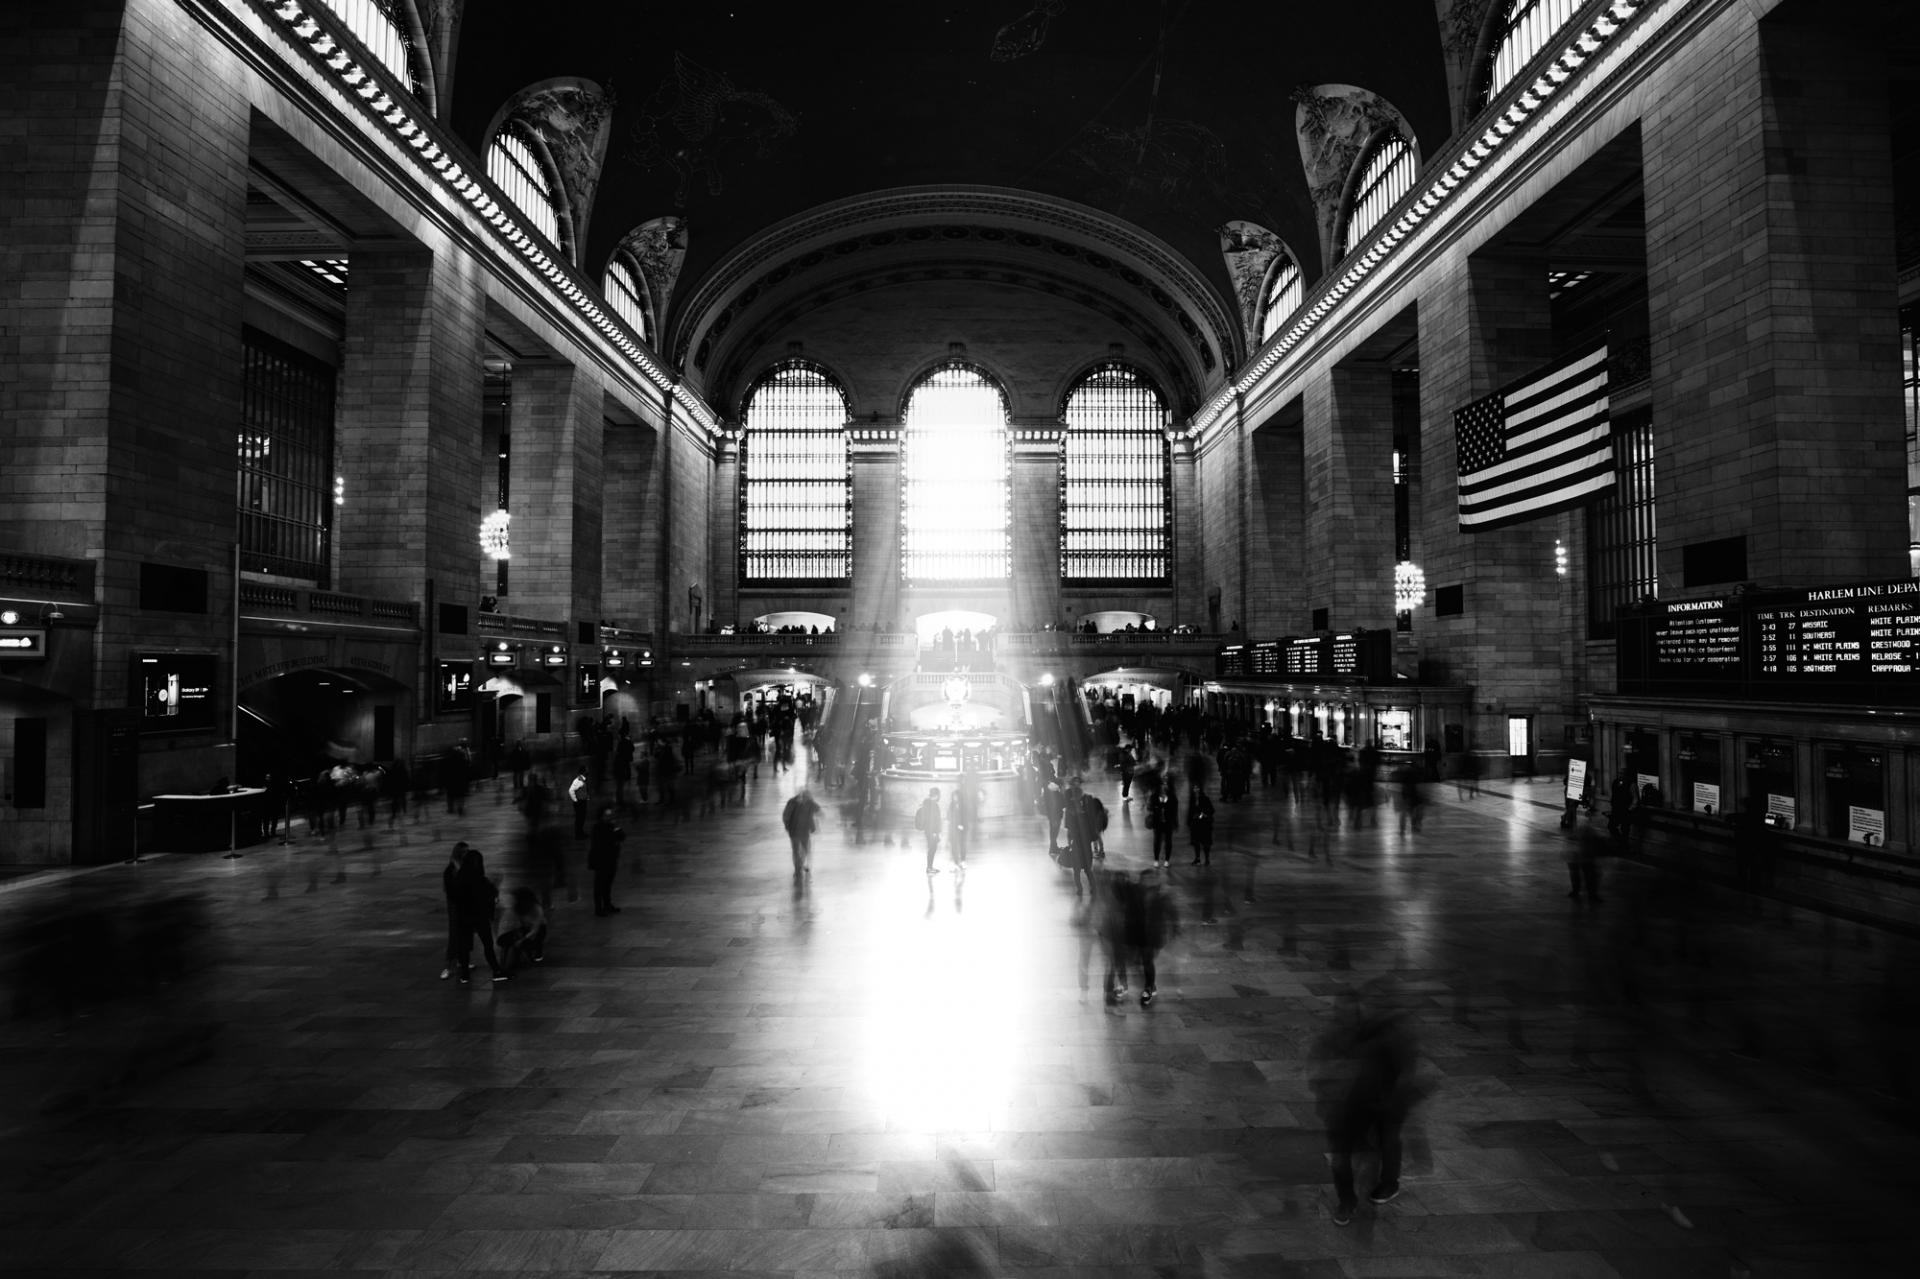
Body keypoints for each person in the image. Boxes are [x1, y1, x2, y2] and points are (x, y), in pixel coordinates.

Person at [1311, 983, 1424, 1226]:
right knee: (1343, 1157)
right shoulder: (1336, 1035)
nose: (1346, 1015)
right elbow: (1319, 1067)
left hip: (1377, 1102)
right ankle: (1347, 1201)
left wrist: (1392, 1100)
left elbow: (1403, 1071)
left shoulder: (1384, 1033)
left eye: (1352, 1010)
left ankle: (1386, 1183)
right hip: (1346, 1106)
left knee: (1385, 1140)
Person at [441, 842, 505, 984]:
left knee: (463, 944)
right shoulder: (477, 878)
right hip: (478, 916)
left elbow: (453, 894)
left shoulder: (459, 877)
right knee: (487, 943)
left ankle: (464, 974)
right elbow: (490, 895)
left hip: (463, 915)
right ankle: (496, 970)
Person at [496, 885, 547, 971]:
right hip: (525, 929)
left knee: (521, 943)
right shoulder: (517, 907)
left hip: (536, 930)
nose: (514, 900)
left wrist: (522, 939)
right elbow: (515, 923)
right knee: (514, 943)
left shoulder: (536, 908)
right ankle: (515, 963)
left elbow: (535, 929)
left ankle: (534, 953)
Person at [587, 806, 625, 916]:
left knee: (608, 883)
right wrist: (614, 836)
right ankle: (598, 908)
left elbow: (622, 836)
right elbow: (606, 840)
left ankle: (607, 904)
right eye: (607, 814)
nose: (610, 816)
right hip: (601, 859)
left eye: (611, 814)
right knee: (600, 884)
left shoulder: (612, 825)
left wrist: (616, 829)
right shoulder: (598, 827)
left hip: (611, 858)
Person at [783, 787, 821, 877]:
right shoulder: (792, 802)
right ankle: (797, 869)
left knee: (805, 849)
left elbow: (818, 810)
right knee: (797, 850)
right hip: (794, 831)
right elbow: (786, 816)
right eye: (804, 797)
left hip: (804, 831)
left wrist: (813, 826)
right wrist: (787, 826)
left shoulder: (809, 802)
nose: (805, 799)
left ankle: (800, 865)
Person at [1147, 784, 1178, 870]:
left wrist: (1175, 823)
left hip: (1168, 824)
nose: (1163, 790)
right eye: (1161, 789)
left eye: (1165, 789)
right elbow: (1149, 808)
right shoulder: (1154, 797)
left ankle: (1167, 860)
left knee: (1168, 842)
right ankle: (1156, 859)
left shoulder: (1172, 798)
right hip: (1158, 824)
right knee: (1157, 842)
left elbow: (1175, 811)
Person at [915, 787, 943, 874]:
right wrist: (936, 832)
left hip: (928, 831)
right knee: (932, 849)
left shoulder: (927, 804)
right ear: (936, 795)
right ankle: (929, 868)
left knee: (931, 848)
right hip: (932, 831)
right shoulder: (933, 805)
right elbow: (935, 820)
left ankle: (930, 867)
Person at [1187, 785, 1215, 866]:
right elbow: (1190, 811)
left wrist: (1203, 814)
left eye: (1197, 788)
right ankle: (1197, 858)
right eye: (1194, 788)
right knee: (1196, 842)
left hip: (1204, 824)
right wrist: (1190, 821)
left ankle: (1207, 859)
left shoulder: (1205, 799)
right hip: (1195, 824)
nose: (1196, 790)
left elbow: (1212, 810)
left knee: (1205, 843)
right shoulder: (1192, 800)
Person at [569, 770, 591, 838]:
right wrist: (575, 800)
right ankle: (579, 833)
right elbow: (571, 790)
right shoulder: (578, 781)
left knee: (581, 818)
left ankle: (580, 832)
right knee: (580, 818)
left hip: (582, 801)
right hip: (580, 802)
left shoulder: (583, 780)